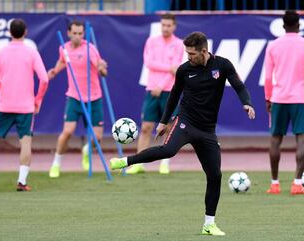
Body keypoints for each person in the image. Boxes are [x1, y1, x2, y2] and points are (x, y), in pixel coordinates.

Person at [110, 31, 256, 236]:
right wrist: (163, 122)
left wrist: (247, 103)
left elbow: (239, 85)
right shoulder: (184, 70)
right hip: (185, 122)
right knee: (168, 150)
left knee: (215, 175)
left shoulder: (222, 65)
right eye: (187, 53)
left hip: (207, 130)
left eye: (192, 54)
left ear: (204, 51)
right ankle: (125, 162)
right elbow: (174, 97)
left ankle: (209, 224)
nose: (188, 57)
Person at [0, 19, 49, 192]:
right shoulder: (31, 52)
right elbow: (44, 79)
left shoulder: (1, 52)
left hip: (5, 105)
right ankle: (22, 182)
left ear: (9, 32)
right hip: (26, 106)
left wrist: (5, 90)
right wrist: (37, 100)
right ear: (26, 32)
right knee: (25, 141)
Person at [264, 10, 304, 195]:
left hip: (279, 98)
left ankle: (275, 184)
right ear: (299, 25)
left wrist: (268, 97)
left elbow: (267, 76)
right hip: (299, 99)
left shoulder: (273, 46)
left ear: (283, 26)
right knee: (302, 139)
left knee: (275, 139)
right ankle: (297, 184)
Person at [47, 20, 108, 178]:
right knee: (67, 132)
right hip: (74, 97)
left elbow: (99, 64)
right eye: (74, 33)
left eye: (80, 34)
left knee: (98, 137)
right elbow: (63, 61)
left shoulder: (90, 48)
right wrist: (55, 71)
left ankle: (86, 151)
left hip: (94, 97)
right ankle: (56, 164)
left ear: (84, 34)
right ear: (69, 33)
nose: (77, 37)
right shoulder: (64, 47)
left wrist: (102, 68)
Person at [127, 13, 184, 175]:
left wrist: (162, 84)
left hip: (169, 91)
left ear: (174, 27)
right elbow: (149, 63)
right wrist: (167, 69)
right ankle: (138, 164)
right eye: (163, 25)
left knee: (167, 128)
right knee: (146, 127)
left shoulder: (179, 44)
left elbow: (176, 70)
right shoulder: (152, 42)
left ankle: (165, 163)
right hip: (152, 89)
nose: (165, 28)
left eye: (168, 25)